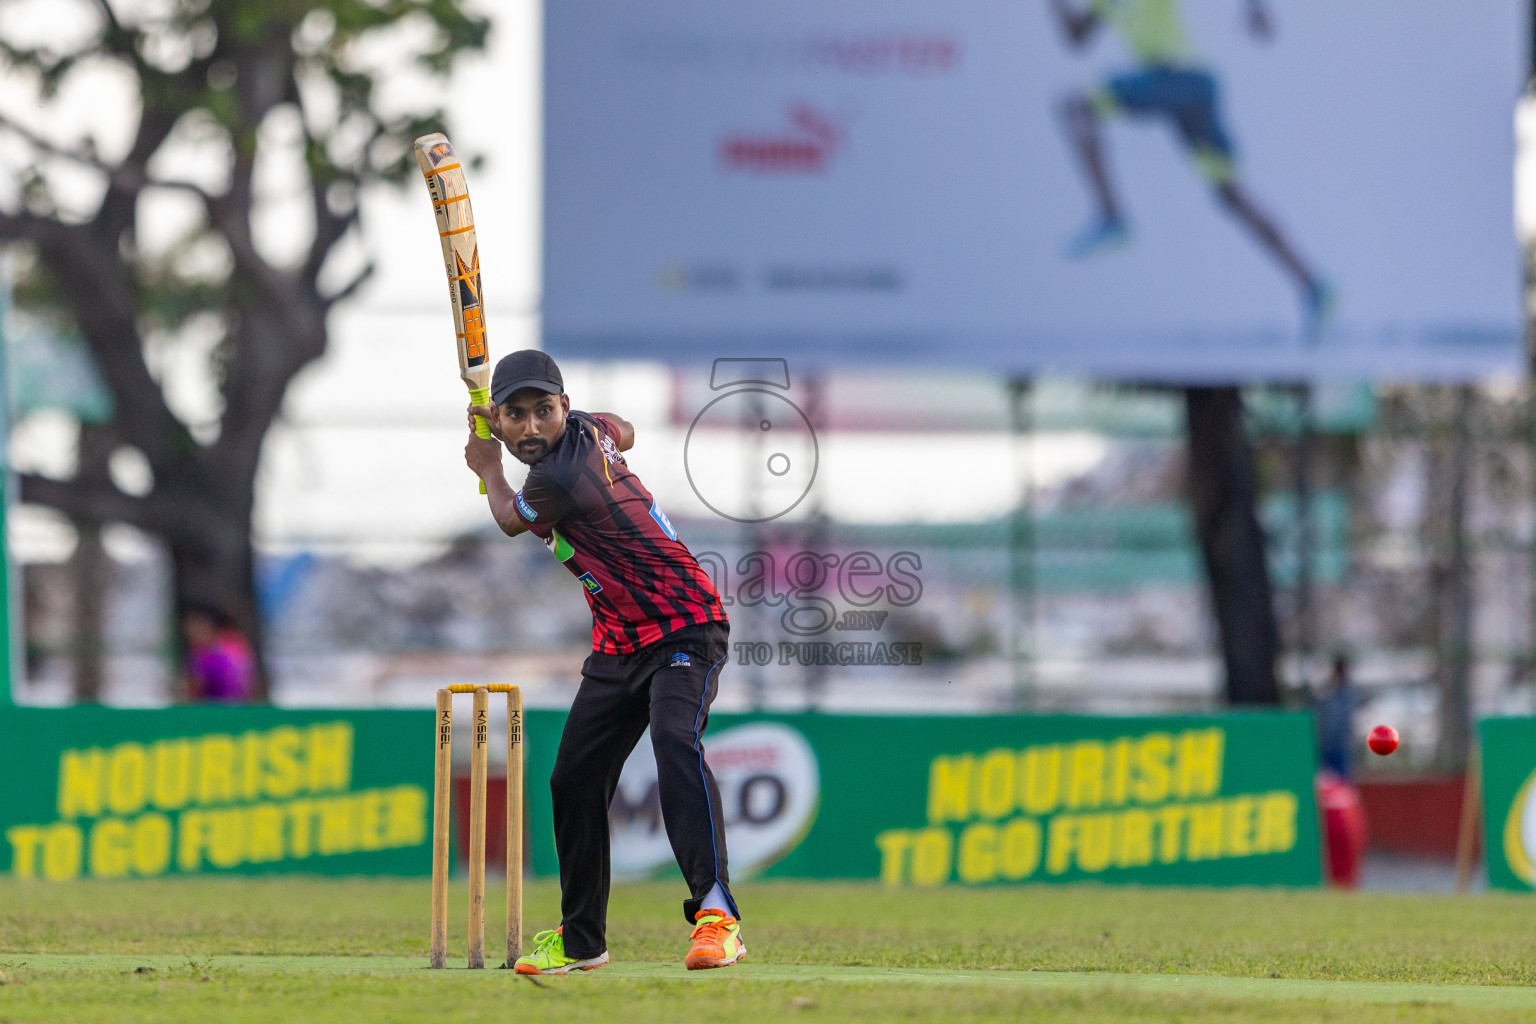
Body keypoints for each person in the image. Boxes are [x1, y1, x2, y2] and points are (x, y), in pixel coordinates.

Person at [463, 349, 743, 975]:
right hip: (619, 641)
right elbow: (629, 429)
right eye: (517, 416)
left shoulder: (556, 478)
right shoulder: (592, 428)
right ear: (502, 418)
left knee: (674, 740)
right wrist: (580, 423)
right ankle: (583, 941)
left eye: (544, 412)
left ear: (563, 407)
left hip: (684, 624)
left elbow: (511, 520)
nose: (532, 428)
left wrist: (488, 467)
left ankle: (717, 918)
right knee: (573, 780)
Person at [1049, 0, 1330, 328]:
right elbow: (1076, 37)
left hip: (1178, 76)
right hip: (1190, 88)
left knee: (1076, 107)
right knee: (1231, 194)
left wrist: (1255, 8)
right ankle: (1312, 284)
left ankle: (1111, 216)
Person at [180, 605, 254, 704]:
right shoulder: (194, 655)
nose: (190, 631)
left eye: (196, 626)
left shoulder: (218, 658)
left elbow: (194, 690)